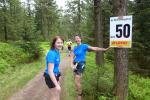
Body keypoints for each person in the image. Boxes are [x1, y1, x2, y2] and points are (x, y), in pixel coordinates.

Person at [70, 34, 110, 100]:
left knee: (77, 80)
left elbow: (95, 48)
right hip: (75, 63)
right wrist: (71, 64)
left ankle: (80, 95)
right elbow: (72, 56)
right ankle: (78, 90)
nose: (77, 39)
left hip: (81, 63)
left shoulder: (84, 46)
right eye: (76, 38)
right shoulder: (75, 48)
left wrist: (104, 49)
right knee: (75, 80)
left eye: (78, 38)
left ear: (80, 39)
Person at [43, 36, 64, 100]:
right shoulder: (52, 53)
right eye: (58, 43)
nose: (60, 44)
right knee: (54, 97)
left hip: (55, 74)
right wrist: (56, 85)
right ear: (54, 43)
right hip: (50, 76)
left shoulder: (57, 52)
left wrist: (58, 74)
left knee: (57, 94)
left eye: (61, 42)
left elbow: (56, 66)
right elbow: (50, 71)